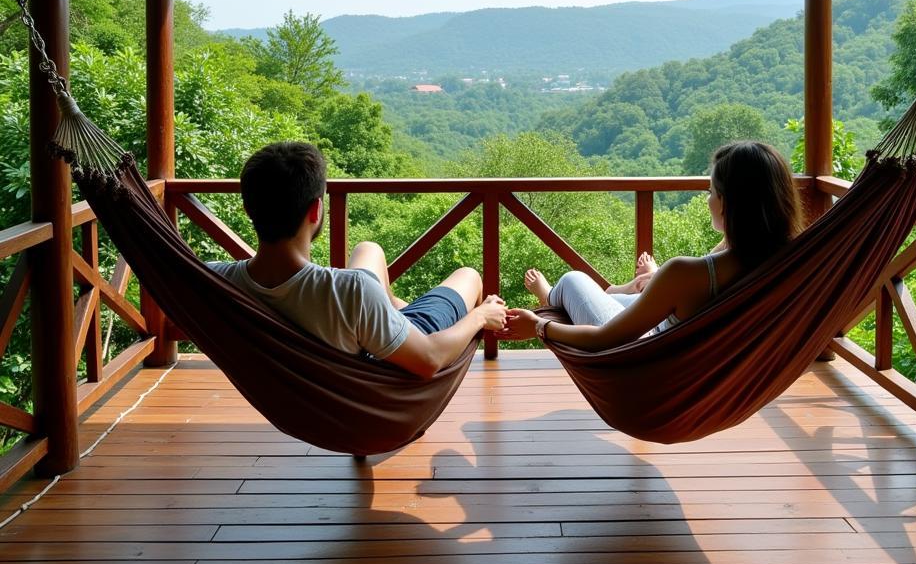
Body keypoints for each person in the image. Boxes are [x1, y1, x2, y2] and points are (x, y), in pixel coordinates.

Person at [209, 141, 508, 379]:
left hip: (309, 397)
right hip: (386, 376)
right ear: (315, 211)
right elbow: (429, 359)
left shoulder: (214, 281)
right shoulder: (350, 291)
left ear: (248, 209)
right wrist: (481, 316)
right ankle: (394, 317)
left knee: (369, 249)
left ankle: (392, 313)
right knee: (469, 276)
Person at [502, 141, 802, 351]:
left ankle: (550, 297)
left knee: (573, 280)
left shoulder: (686, 273)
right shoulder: (787, 261)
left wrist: (540, 326)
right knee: (606, 293)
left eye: (711, 191)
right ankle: (623, 289)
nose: (707, 199)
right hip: (688, 356)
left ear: (728, 204)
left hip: (641, 354)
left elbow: (605, 340)